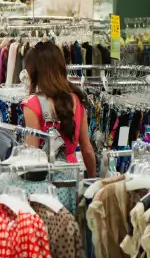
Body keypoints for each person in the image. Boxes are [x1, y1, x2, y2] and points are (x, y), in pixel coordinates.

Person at [22, 41, 96, 178]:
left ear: (34, 72)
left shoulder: (32, 104)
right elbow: (87, 150)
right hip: (71, 176)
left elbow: (32, 156)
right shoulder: (76, 99)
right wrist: (92, 180)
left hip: (45, 181)